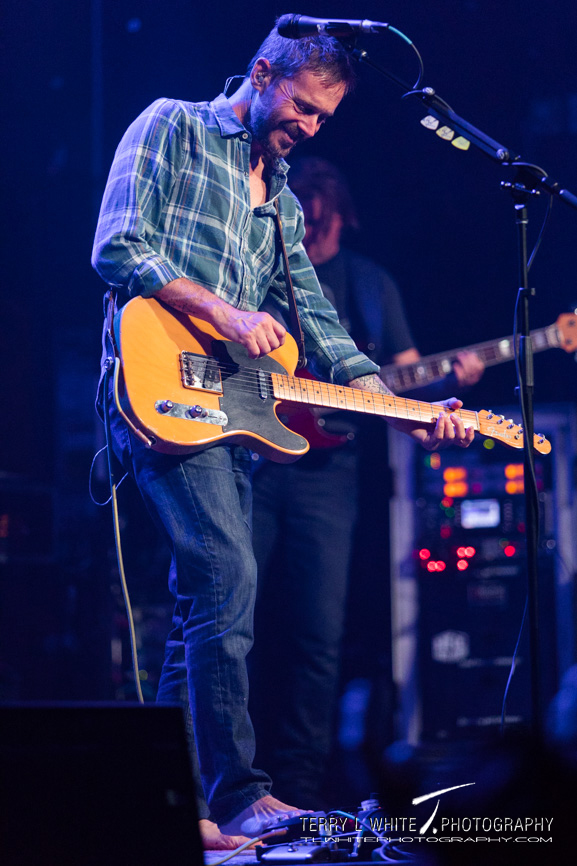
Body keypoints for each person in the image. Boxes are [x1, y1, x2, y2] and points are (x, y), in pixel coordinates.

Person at [91, 21, 474, 850]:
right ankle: (240, 796)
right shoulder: (173, 125)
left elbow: (322, 321)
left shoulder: (286, 200)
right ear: (262, 73)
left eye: (323, 119)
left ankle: (172, 801)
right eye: (299, 107)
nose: (307, 126)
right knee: (226, 576)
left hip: (227, 410)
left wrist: (395, 401)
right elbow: (117, 245)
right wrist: (224, 310)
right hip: (153, 384)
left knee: (212, 598)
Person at [249, 157, 484, 809]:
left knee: (316, 635)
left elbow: (406, 375)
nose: (315, 238)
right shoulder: (267, 273)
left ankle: (294, 791)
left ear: (341, 218)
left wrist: (448, 385)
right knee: (233, 624)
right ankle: (222, 786)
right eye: (307, 225)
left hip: (330, 475)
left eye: (324, 226)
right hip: (254, 462)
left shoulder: (372, 285)